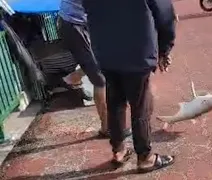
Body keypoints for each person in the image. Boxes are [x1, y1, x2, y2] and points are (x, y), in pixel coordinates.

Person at [83, 0, 177, 173]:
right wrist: (164, 48)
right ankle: (145, 157)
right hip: (137, 51)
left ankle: (118, 151)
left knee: (115, 102)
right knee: (141, 105)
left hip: (106, 51)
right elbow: (164, 13)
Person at [57, 0, 132, 138]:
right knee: (100, 79)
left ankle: (73, 77)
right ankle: (108, 128)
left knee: (105, 58)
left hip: (88, 22)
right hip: (75, 25)